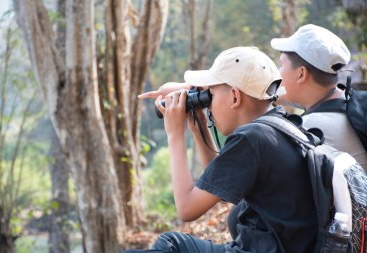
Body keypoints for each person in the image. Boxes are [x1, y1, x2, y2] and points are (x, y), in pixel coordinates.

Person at [124, 47, 317, 253]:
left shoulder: (252, 138)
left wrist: (175, 134)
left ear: (234, 97)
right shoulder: (278, 128)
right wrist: (199, 129)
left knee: (172, 244)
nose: (210, 104)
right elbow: (220, 185)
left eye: (211, 95)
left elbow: (186, 209)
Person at [270, 24, 367, 170]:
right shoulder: (349, 102)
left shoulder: (310, 128)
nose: (278, 73)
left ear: (301, 73)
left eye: (281, 65)